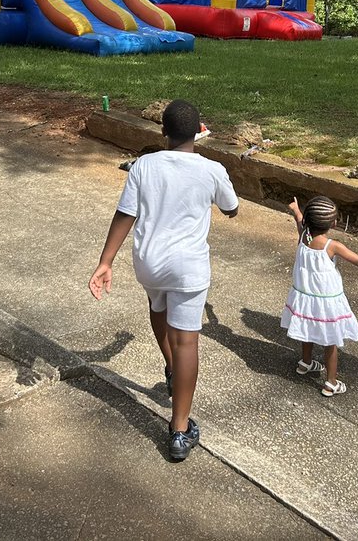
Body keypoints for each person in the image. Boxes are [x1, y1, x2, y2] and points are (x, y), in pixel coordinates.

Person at [88, 99, 239, 461]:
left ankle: (171, 368)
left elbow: (126, 213)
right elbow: (232, 208)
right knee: (188, 341)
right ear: (199, 131)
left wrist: (105, 261)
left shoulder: (144, 165)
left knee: (157, 306)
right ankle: (179, 430)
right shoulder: (212, 169)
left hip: (149, 263)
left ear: (163, 132)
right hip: (188, 268)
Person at [280, 195, 358, 397]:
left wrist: (296, 210)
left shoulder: (304, 237)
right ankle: (331, 383)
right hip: (326, 302)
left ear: (308, 220)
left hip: (305, 298)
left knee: (307, 328)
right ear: (334, 223)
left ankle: (306, 363)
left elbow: (300, 221)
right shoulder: (331, 246)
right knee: (330, 341)